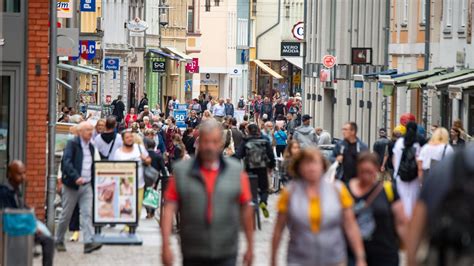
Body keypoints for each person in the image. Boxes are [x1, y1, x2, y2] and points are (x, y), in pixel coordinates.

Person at [161, 119, 254, 266]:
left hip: (226, 249)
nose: (210, 146)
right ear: (199, 142)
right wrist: (165, 245)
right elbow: (169, 208)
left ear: (220, 143)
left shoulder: (235, 171)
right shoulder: (182, 171)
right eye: (206, 141)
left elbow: (246, 208)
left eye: (214, 142)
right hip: (193, 249)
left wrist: (250, 246)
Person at [271, 148, 366, 266]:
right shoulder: (290, 192)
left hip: (334, 259)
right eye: (306, 163)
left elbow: (351, 226)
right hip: (299, 259)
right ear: (298, 167)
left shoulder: (338, 190)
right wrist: (273, 259)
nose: (311, 167)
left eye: (315, 163)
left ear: (323, 166)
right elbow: (278, 229)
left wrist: (360, 257)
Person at [407, 146, 474, 266]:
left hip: (451, 252)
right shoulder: (449, 153)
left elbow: (419, 217)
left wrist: (411, 259)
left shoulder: (449, 163)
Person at [347, 152, 408, 266]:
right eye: (362, 172)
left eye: (369, 172)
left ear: (377, 170)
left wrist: (410, 251)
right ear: (357, 169)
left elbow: (401, 222)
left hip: (384, 255)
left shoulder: (388, 190)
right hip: (352, 255)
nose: (366, 176)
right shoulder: (346, 190)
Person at [56, 122, 102, 254]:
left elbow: (93, 165)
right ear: (80, 131)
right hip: (72, 185)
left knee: (87, 214)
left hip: (87, 185)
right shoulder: (72, 144)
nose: (90, 132)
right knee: (66, 214)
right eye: (87, 130)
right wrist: (75, 177)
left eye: (91, 130)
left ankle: (88, 242)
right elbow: (66, 162)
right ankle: (58, 240)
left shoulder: (91, 147)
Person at [0, 161, 55, 266]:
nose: (23, 177)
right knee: (48, 241)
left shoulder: (16, 189)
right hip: (14, 230)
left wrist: (32, 216)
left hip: (22, 227)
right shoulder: (4, 191)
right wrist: (32, 226)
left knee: (49, 240)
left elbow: (23, 208)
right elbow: (10, 215)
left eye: (24, 173)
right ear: (10, 174)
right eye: (19, 174)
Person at [110, 130, 151, 228]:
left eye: (131, 137)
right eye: (127, 137)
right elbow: (114, 167)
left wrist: (145, 159)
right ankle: (128, 228)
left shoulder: (139, 148)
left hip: (139, 184)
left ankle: (131, 227)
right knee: (127, 209)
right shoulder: (118, 152)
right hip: (125, 185)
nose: (129, 139)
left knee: (138, 209)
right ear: (123, 139)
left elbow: (149, 161)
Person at [235, 123, 276, 218]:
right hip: (262, 168)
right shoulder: (265, 140)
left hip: (249, 169)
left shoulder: (246, 141)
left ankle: (251, 205)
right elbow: (270, 155)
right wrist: (271, 165)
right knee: (264, 189)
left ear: (248, 131)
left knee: (248, 189)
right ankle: (263, 202)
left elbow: (238, 155)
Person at [392, 122, 422, 218]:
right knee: (413, 198)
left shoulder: (399, 142)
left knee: (402, 197)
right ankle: (411, 219)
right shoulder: (419, 143)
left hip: (400, 174)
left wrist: (396, 170)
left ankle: (402, 218)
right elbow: (420, 162)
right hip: (414, 176)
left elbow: (394, 158)